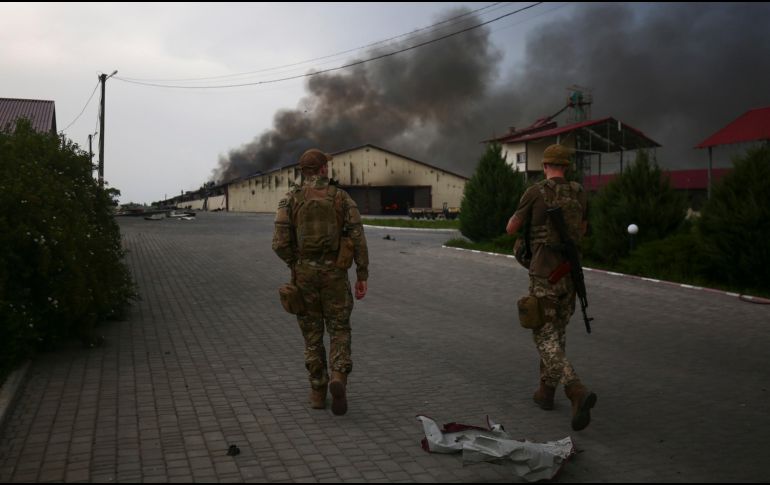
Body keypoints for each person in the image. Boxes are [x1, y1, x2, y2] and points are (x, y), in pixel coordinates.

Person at [505, 143, 597, 431]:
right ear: (567, 166)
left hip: (544, 274)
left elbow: (511, 228)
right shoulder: (580, 193)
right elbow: (583, 230)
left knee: (543, 335)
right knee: (557, 331)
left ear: (545, 166)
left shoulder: (536, 191)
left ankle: (574, 389)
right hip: (569, 275)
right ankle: (546, 393)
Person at [272, 148, 369, 415]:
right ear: (323, 169)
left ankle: (317, 390)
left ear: (303, 171)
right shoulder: (341, 198)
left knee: (312, 335)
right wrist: (362, 275)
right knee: (339, 329)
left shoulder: (290, 199)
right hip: (336, 275)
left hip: (304, 276)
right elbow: (358, 238)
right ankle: (339, 376)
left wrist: (296, 263)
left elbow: (279, 243)